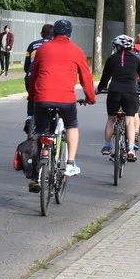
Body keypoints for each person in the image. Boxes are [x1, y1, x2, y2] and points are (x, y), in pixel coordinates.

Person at [28, 19, 95, 182]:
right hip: (66, 99)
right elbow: (86, 76)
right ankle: (70, 163)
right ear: (69, 34)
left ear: (54, 33)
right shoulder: (76, 51)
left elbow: (33, 74)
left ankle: (37, 167)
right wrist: (90, 97)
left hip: (42, 97)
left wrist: (32, 95)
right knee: (71, 126)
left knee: (40, 131)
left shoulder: (43, 49)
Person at [97, 35, 140, 162]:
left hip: (114, 91)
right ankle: (131, 149)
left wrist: (99, 89)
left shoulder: (111, 59)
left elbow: (105, 78)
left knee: (111, 119)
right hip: (130, 92)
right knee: (130, 121)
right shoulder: (137, 59)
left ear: (117, 46)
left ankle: (106, 145)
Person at [22, 24, 53, 131]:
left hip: (30, 76)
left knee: (32, 97)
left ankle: (30, 118)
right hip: (47, 77)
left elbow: (26, 67)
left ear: (41, 34)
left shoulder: (32, 45)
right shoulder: (54, 45)